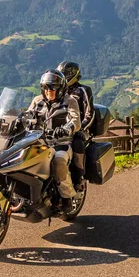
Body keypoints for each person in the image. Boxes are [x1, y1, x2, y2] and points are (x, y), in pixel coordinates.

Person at [24, 69, 81, 211]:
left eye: (53, 87)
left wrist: (66, 128)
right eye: (46, 87)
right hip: (39, 142)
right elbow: (27, 116)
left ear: (61, 88)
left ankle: (67, 197)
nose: (50, 91)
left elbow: (76, 120)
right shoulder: (37, 101)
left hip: (61, 144)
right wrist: (15, 119)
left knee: (59, 161)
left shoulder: (70, 101)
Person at [57, 61, 94, 190]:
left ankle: (79, 177)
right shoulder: (58, 90)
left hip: (81, 129)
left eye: (66, 74)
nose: (64, 76)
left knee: (77, 142)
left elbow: (90, 113)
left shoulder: (83, 90)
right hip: (61, 130)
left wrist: (81, 128)